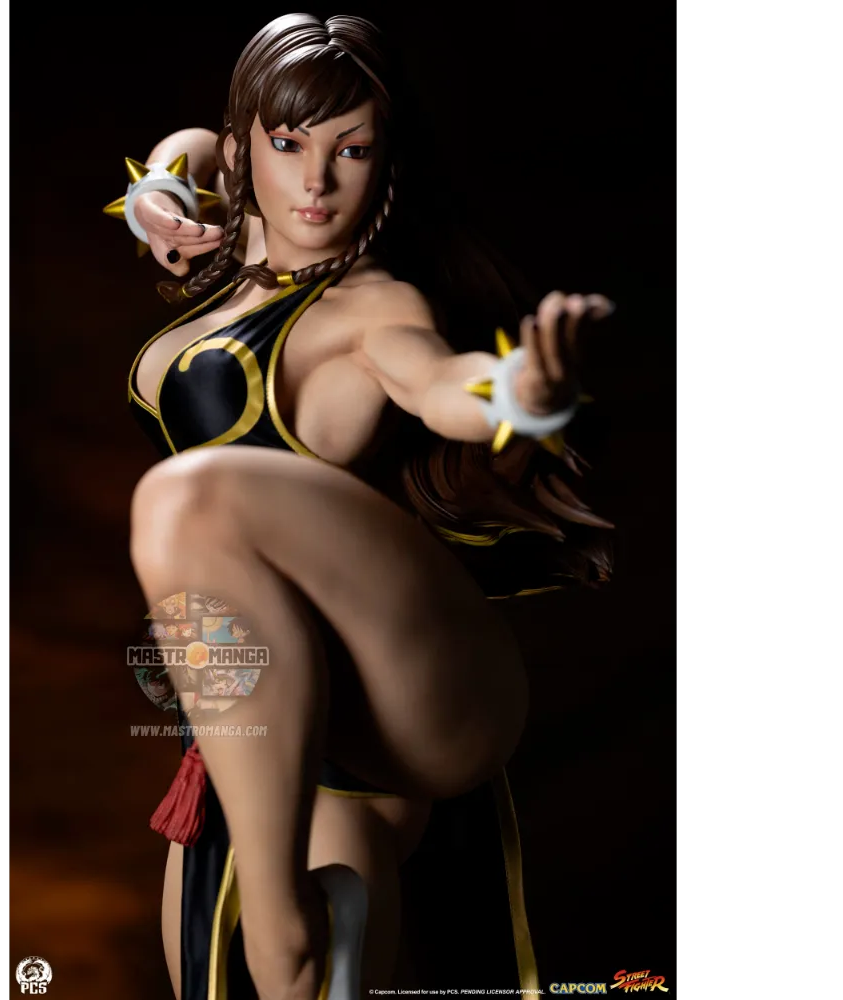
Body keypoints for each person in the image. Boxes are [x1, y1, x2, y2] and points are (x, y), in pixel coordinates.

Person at [108, 14, 615, 1000]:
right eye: (289, 145)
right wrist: (157, 190)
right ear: (247, 148)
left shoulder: (375, 307)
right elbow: (202, 144)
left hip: (386, 691)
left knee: (182, 497)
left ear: (384, 164)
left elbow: (439, 383)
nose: (315, 184)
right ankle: (284, 928)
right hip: (247, 709)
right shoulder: (229, 246)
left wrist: (516, 396)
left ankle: (286, 928)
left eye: (352, 152)